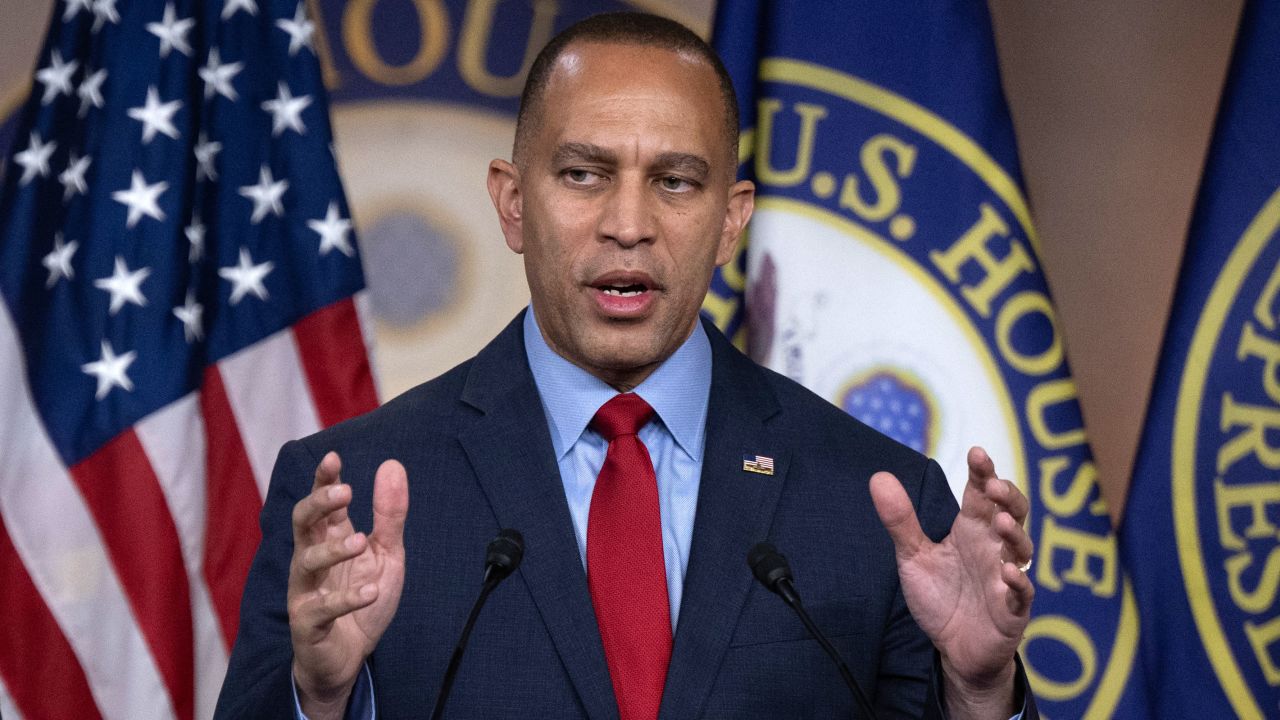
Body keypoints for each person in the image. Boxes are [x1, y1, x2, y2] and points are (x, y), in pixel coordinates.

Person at [216, 12, 1036, 720]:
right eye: (584, 174)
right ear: (511, 203)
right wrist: (321, 700)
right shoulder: (352, 497)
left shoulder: (875, 503)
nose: (629, 224)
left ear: (729, 222)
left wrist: (976, 689)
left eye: (676, 182)